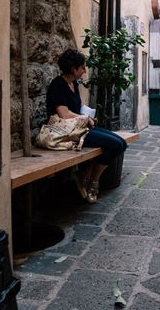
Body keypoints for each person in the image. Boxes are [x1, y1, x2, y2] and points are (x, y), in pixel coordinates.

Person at [46, 49, 128, 204]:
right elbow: (63, 113)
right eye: (82, 67)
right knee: (115, 145)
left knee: (122, 143)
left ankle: (85, 175)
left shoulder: (73, 84)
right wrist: (85, 119)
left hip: (79, 128)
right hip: (67, 132)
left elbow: (75, 108)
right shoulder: (58, 84)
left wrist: (88, 117)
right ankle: (93, 181)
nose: (85, 71)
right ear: (73, 68)